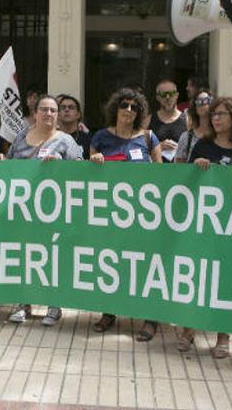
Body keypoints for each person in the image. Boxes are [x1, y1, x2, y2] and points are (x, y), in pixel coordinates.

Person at [0, 95, 82, 326]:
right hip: (23, 211)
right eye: (44, 109)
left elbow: (81, 172)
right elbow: (12, 163)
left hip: (53, 212)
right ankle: (23, 304)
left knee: (52, 258)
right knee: (25, 257)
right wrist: (2, 161)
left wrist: (61, 167)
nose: (49, 114)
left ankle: (54, 306)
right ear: (35, 113)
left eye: (53, 110)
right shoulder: (23, 137)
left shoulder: (65, 140)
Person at [89, 88, 162, 338]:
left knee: (145, 266)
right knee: (111, 263)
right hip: (110, 215)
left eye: (134, 107)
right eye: (124, 105)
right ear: (115, 109)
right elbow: (90, 177)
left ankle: (150, 318)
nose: (129, 110)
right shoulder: (100, 137)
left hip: (142, 216)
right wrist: (95, 160)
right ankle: (109, 312)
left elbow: (162, 177)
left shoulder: (149, 138)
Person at [185, 96, 232, 358]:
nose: (215, 118)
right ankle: (190, 326)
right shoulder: (202, 146)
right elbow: (185, 183)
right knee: (200, 275)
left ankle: (223, 336)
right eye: (213, 114)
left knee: (226, 280)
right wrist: (196, 168)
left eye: (221, 114)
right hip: (204, 226)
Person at [149, 79, 187, 162]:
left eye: (171, 94)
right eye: (163, 94)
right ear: (157, 97)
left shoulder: (188, 120)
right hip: (157, 171)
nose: (167, 97)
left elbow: (194, 149)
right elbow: (141, 150)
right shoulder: (148, 120)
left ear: (177, 95)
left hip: (181, 171)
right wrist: (158, 147)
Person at [174, 89, 213, 163]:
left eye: (206, 100)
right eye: (198, 102)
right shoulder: (186, 137)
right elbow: (178, 167)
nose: (202, 104)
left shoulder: (220, 135)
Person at [57, 94, 91, 159]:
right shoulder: (51, 138)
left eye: (71, 107)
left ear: (78, 114)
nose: (66, 110)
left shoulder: (88, 140)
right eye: (63, 107)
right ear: (58, 114)